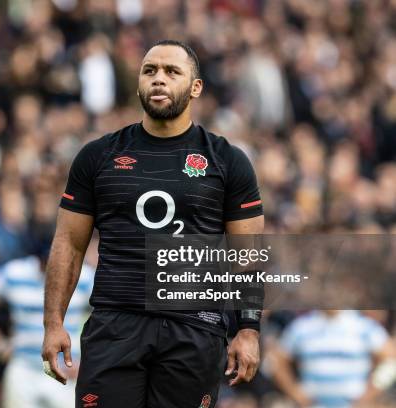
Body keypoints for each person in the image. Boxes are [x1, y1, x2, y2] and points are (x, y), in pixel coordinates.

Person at [42, 39, 264, 408]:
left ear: (195, 88)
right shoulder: (98, 156)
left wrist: (248, 329)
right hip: (115, 325)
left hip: (194, 328)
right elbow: (69, 242)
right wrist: (53, 324)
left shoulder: (228, 161)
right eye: (150, 71)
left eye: (171, 71)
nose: (158, 79)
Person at [0, 235, 95, 408]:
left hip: (65, 373)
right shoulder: (15, 273)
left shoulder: (83, 276)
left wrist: (89, 361)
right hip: (24, 369)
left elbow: (111, 314)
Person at [271, 310, 393, 408]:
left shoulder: (364, 326)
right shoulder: (301, 327)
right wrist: (294, 392)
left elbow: (391, 362)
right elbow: (276, 361)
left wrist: (371, 392)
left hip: (353, 403)